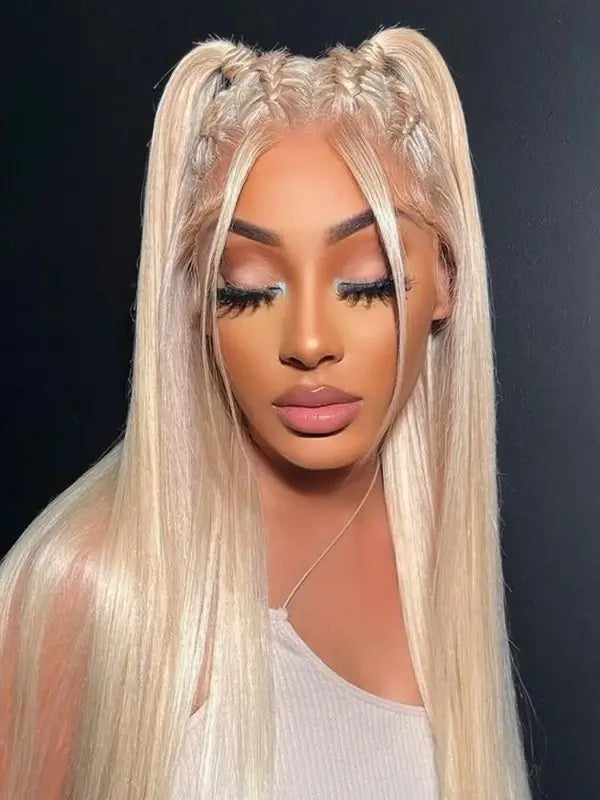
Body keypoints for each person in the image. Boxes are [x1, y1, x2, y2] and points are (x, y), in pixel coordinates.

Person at [0, 26, 533, 799]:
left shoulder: (438, 553)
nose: (309, 342)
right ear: (195, 298)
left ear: (446, 278)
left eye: (365, 282)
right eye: (248, 289)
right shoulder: (91, 586)